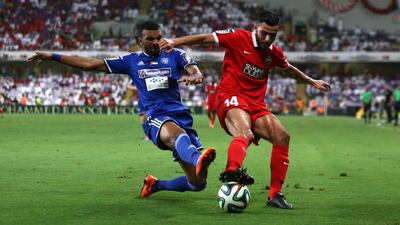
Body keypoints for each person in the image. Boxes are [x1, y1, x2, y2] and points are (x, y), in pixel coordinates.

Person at [160, 11, 331, 209]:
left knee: (282, 136)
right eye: (264, 33)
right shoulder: (238, 37)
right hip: (230, 97)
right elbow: (206, 38)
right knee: (245, 133)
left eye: (272, 35)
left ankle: (275, 194)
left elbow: (288, 68)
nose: (267, 39)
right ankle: (232, 171)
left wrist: (312, 81)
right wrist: (174, 41)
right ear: (255, 27)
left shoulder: (273, 53)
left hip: (256, 104)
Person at [28, 20, 216, 198]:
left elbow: (194, 70)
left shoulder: (175, 54)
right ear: (139, 41)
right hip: (156, 115)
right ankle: (197, 158)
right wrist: (53, 56)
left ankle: (154, 185)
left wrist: (196, 76)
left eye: (158, 37)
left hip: (180, 114)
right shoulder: (131, 61)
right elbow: (90, 64)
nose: (156, 42)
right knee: (177, 136)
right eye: (150, 38)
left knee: (198, 183)